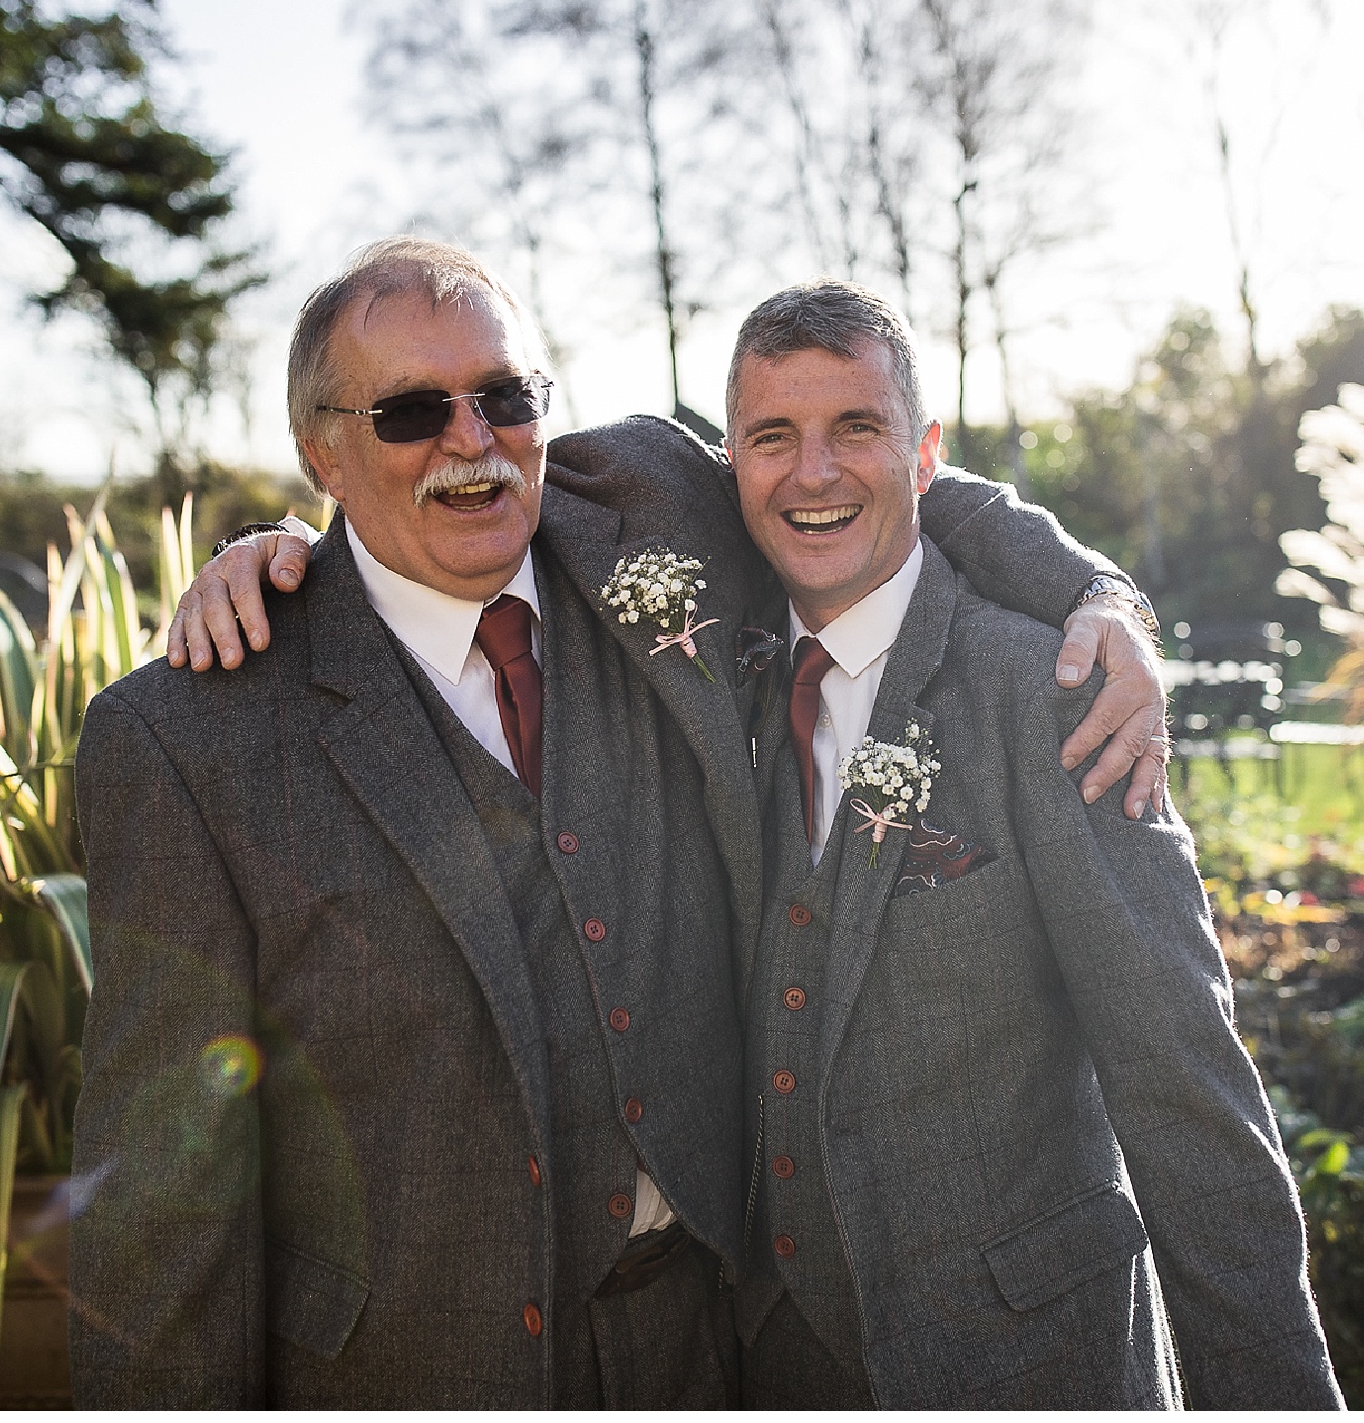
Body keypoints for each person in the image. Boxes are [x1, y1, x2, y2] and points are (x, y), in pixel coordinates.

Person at [72, 241, 1168, 1407]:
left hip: (711, 1341)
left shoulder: (644, 503)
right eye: (407, 413)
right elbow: (163, 1195)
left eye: (502, 396)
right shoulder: (188, 741)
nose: (471, 440)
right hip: (412, 1365)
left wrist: (1099, 597)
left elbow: (885, 477)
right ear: (321, 454)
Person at [722, 282, 1340, 1407]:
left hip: (1034, 1364)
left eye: (857, 427)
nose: (812, 473)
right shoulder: (712, 676)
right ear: (730, 459)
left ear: (926, 457)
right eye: (774, 436)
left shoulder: (1056, 689)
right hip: (784, 1370)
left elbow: (1186, 1086)